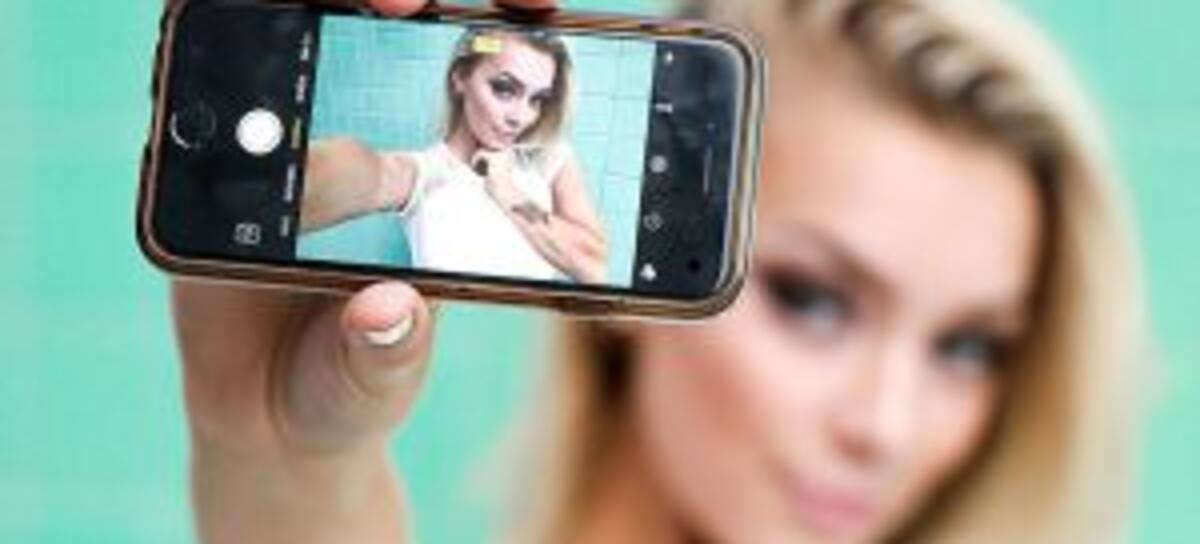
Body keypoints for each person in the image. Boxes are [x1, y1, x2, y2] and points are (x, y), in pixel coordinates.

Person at [171, 0, 1148, 542]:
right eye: (813, 300)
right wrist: (279, 468)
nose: (886, 427)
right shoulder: (420, 170)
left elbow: (583, 248)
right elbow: (357, 174)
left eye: (970, 347)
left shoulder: (545, 177)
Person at [301, 24, 608, 284]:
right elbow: (362, 174)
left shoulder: (549, 160)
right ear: (460, 77)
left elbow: (593, 266)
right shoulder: (422, 175)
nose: (521, 117)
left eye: (537, 99)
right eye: (504, 89)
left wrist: (508, 193)